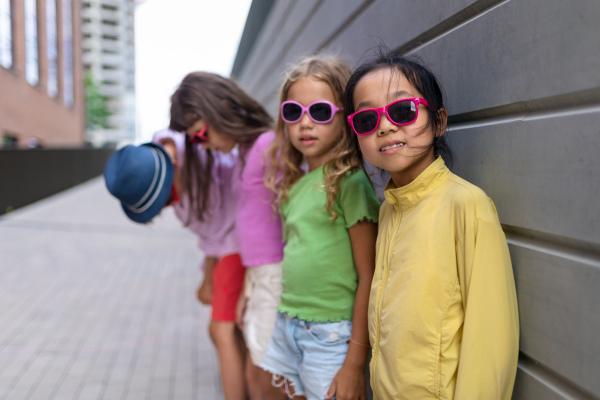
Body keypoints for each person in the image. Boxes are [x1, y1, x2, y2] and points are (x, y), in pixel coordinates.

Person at [343, 48, 520, 399]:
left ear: (438, 121)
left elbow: (490, 343)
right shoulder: (390, 208)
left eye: (403, 110)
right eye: (367, 120)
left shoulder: (467, 205)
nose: (386, 126)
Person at [261, 56, 380, 400]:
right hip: (289, 321)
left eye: (321, 112)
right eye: (293, 112)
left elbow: (369, 277)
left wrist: (354, 364)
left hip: (331, 333)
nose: (305, 123)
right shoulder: (295, 186)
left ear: (344, 117)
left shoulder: (350, 183)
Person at [103, 132, 247, 400]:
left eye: (166, 199)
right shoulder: (173, 165)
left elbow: (218, 230)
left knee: (220, 330)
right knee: (235, 327)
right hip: (227, 246)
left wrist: (208, 278)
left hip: (238, 244)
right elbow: (211, 234)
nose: (169, 207)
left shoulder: (201, 159)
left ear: (175, 167)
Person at [169, 71, 284, 400]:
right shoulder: (242, 155)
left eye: (200, 134)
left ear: (221, 106)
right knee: (257, 375)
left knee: (274, 381)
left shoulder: (266, 145)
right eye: (194, 141)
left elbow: (298, 220)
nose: (202, 145)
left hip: (280, 279)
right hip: (260, 278)